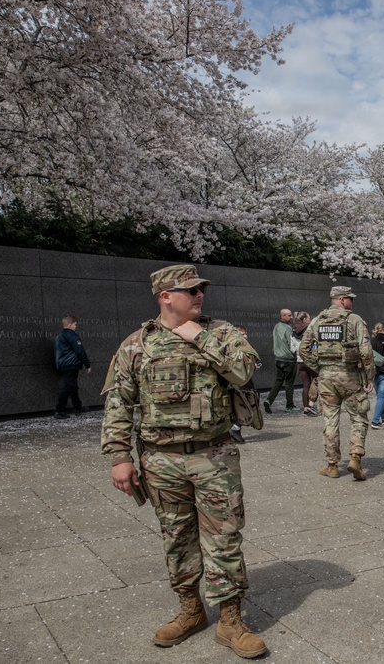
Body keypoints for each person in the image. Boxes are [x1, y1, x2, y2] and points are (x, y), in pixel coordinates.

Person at [100, 264, 267, 658]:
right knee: (176, 537)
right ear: (165, 296)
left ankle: (230, 619)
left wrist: (198, 336)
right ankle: (191, 609)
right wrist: (119, 456)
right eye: (190, 290)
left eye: (200, 289)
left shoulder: (221, 333)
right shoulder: (137, 345)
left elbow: (244, 372)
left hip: (214, 456)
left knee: (224, 537)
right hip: (161, 460)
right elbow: (118, 402)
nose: (199, 295)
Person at [298, 286, 374, 480]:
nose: (352, 302)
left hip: (326, 379)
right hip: (350, 377)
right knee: (358, 417)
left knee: (330, 420)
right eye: (350, 299)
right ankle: (355, 458)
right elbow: (366, 351)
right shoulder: (354, 320)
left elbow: (303, 349)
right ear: (342, 299)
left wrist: (320, 367)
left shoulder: (317, 320)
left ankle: (332, 465)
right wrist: (369, 377)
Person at [229, 325, 262, 444]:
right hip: (239, 382)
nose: (245, 336)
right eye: (242, 334)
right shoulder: (233, 347)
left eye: (245, 333)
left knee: (244, 405)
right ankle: (234, 429)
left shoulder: (245, 347)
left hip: (244, 381)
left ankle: (235, 429)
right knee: (243, 405)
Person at [54, 314, 91, 418]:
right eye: (75, 324)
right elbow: (80, 350)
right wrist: (87, 364)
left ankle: (78, 407)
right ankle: (59, 410)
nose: (75, 326)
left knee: (73, 386)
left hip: (63, 364)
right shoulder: (72, 335)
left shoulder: (60, 336)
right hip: (71, 364)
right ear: (70, 325)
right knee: (69, 386)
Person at [264, 309, 298, 413]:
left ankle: (269, 400)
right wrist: (296, 354)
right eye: (289, 315)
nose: (291, 317)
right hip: (289, 359)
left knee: (278, 381)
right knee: (289, 383)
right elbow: (291, 344)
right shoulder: (288, 329)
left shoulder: (276, 326)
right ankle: (289, 405)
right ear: (282, 316)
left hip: (278, 358)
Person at [293, 311, 318, 416]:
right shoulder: (310, 330)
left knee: (306, 385)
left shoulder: (293, 331)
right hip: (310, 360)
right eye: (308, 318)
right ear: (304, 320)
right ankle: (311, 405)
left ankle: (305, 408)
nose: (310, 320)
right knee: (317, 381)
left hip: (300, 361)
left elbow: (292, 349)